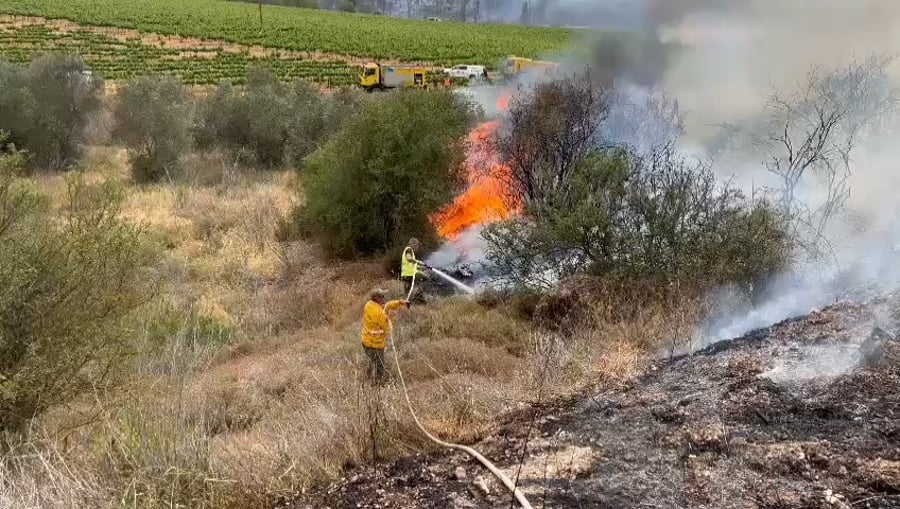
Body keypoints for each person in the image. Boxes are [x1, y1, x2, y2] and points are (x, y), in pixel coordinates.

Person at [360, 289, 409, 384]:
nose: (384, 298)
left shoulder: (369, 304)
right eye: (382, 297)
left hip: (366, 340)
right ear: (377, 298)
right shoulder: (378, 313)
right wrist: (391, 317)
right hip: (374, 344)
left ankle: (369, 379)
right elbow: (388, 328)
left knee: (372, 361)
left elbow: (387, 306)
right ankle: (376, 385)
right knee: (379, 366)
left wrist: (399, 302)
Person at [400, 238, 428, 303]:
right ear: (413, 244)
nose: (417, 247)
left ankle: (409, 302)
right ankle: (418, 296)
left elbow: (412, 265)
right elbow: (409, 258)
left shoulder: (407, 250)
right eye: (417, 245)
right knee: (426, 278)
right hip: (411, 274)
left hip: (405, 275)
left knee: (407, 293)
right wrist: (418, 261)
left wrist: (423, 267)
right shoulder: (409, 249)